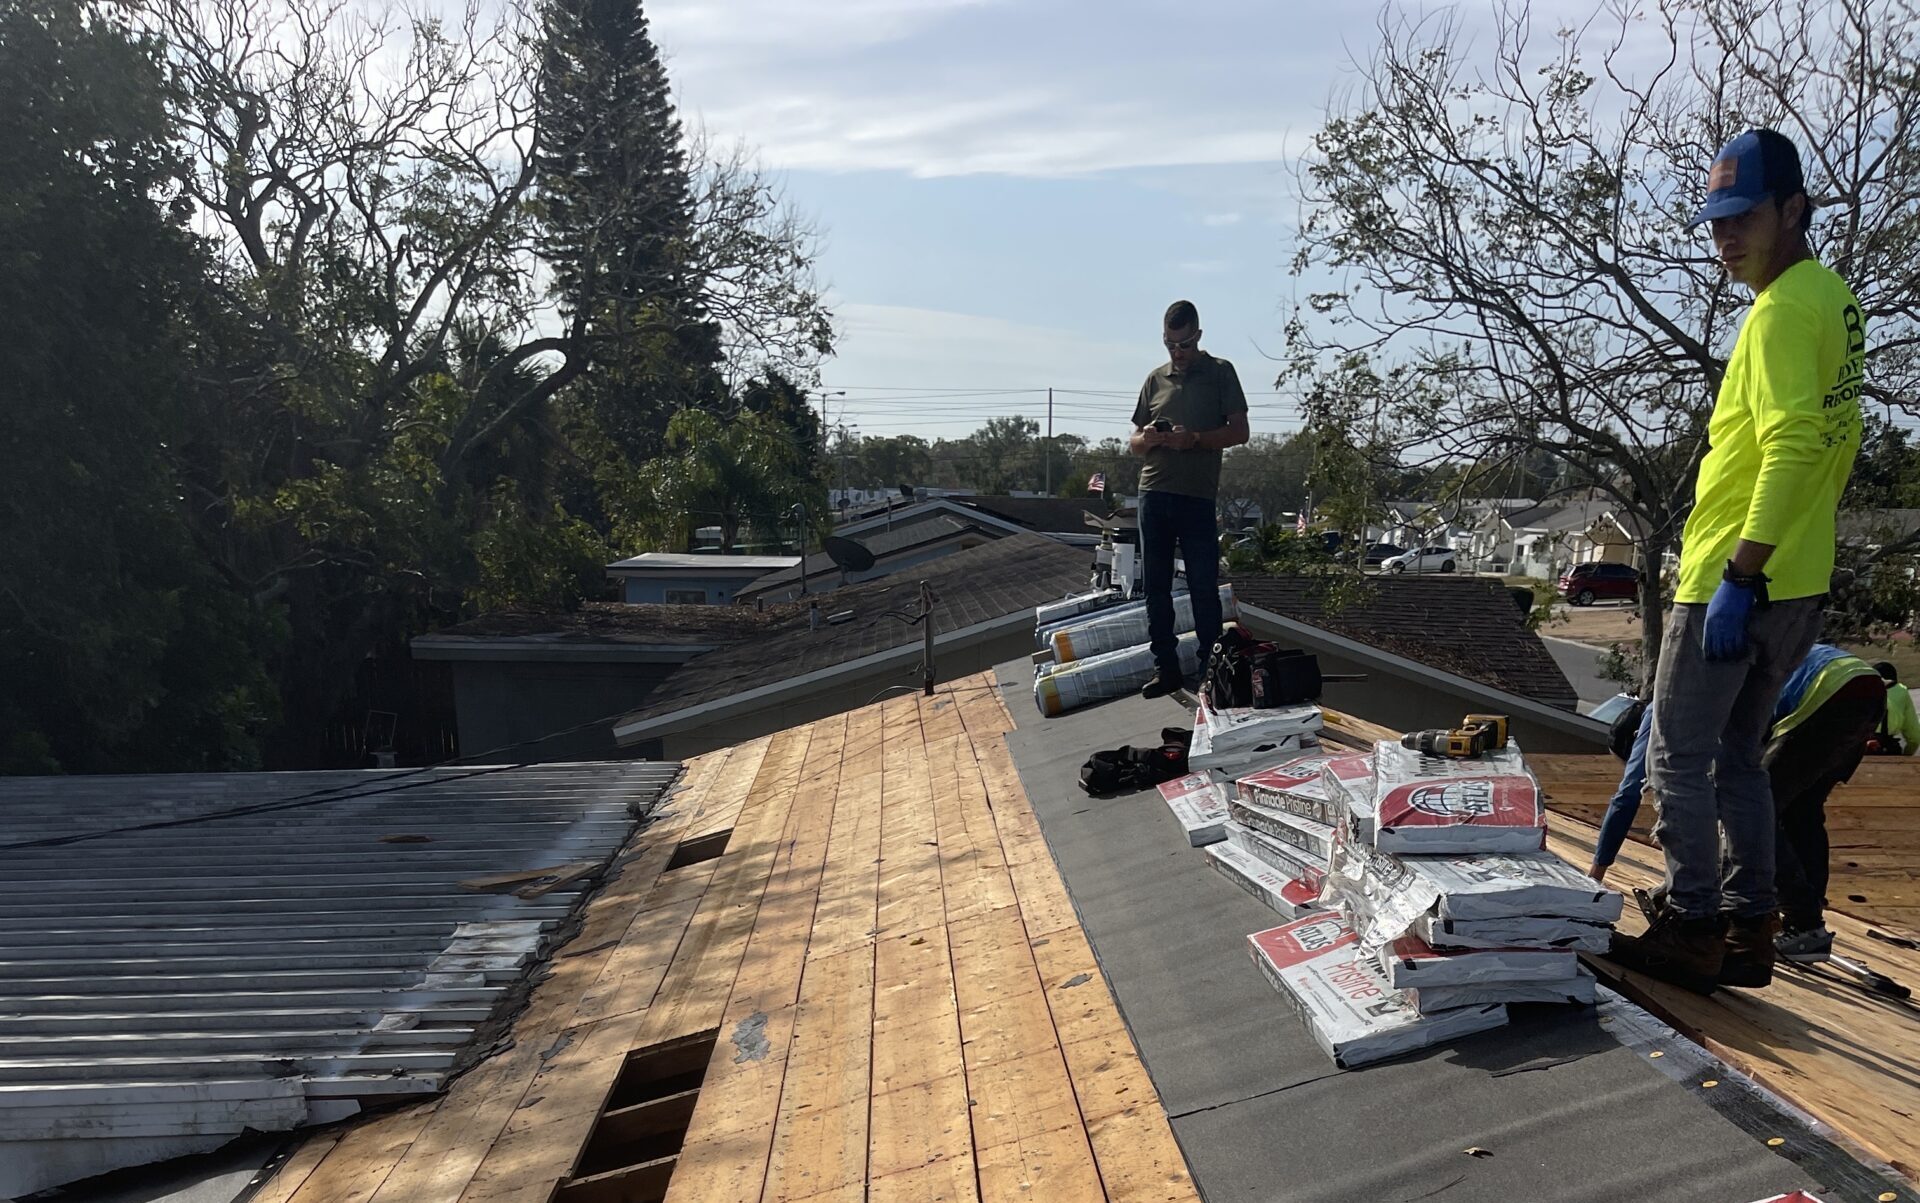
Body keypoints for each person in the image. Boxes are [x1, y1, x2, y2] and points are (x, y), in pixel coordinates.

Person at [1608, 129, 1865, 994]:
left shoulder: (1780, 312)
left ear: (1793, 209)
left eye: (1742, 218)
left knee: (1678, 756)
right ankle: (1751, 923)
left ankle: (1693, 925)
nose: (1725, 238)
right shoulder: (1834, 300)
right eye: (1716, 222)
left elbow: (1792, 444)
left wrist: (1739, 573)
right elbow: (1833, 441)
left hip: (1738, 575)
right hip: (1798, 577)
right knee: (1741, 755)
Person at [1589, 646, 1884, 972]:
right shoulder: (1703, 699)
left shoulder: (1658, 712)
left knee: (1753, 813)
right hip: (1864, 687)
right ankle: (1804, 923)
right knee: (1802, 813)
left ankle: (1802, 923)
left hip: (1824, 690)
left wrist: (1594, 877)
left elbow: (1627, 795)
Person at [1129, 300, 1250, 697]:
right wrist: (1148, 438)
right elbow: (1132, 443)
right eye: (1169, 344)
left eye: (1183, 344)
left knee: (1202, 586)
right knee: (1156, 587)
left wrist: (1194, 439)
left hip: (1196, 497)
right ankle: (1165, 668)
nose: (1176, 352)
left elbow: (1240, 431)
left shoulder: (1220, 372)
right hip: (1153, 493)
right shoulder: (1155, 379)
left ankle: (1209, 672)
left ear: (1197, 336)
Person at [1871, 661, 1920, 755]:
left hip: (1863, 751)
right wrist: (1907, 755)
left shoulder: (1861, 691)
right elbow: (1915, 737)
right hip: (1890, 750)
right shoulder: (1901, 692)